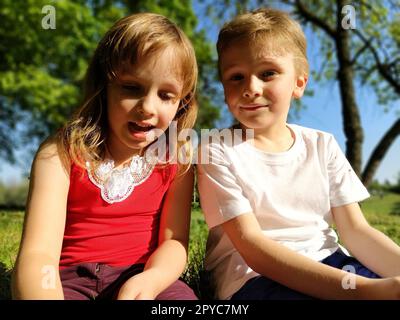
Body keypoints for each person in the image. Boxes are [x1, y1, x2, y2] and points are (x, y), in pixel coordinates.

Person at [197, 8, 400, 300]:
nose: (251, 88)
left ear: (299, 83)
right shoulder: (215, 150)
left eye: (268, 73)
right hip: (254, 277)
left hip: (332, 264)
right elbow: (253, 247)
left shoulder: (322, 144)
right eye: (236, 77)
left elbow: (356, 231)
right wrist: (366, 291)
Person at [12, 12, 198, 300]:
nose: (148, 106)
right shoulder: (60, 153)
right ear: (103, 85)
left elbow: (174, 242)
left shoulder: (176, 160)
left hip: (144, 276)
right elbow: (38, 254)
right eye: (131, 88)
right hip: (70, 280)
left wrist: (151, 280)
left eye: (166, 95)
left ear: (181, 103)